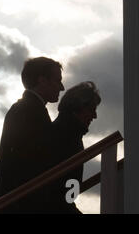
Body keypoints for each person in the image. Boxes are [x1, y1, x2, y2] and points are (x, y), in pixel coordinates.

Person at [0, 57, 64, 213]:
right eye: (57, 81)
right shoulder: (30, 112)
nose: (61, 87)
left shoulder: (24, 109)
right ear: (42, 80)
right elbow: (31, 165)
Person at [47, 81, 101, 214]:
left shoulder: (69, 135)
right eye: (91, 109)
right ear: (78, 107)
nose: (95, 116)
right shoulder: (65, 137)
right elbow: (58, 195)